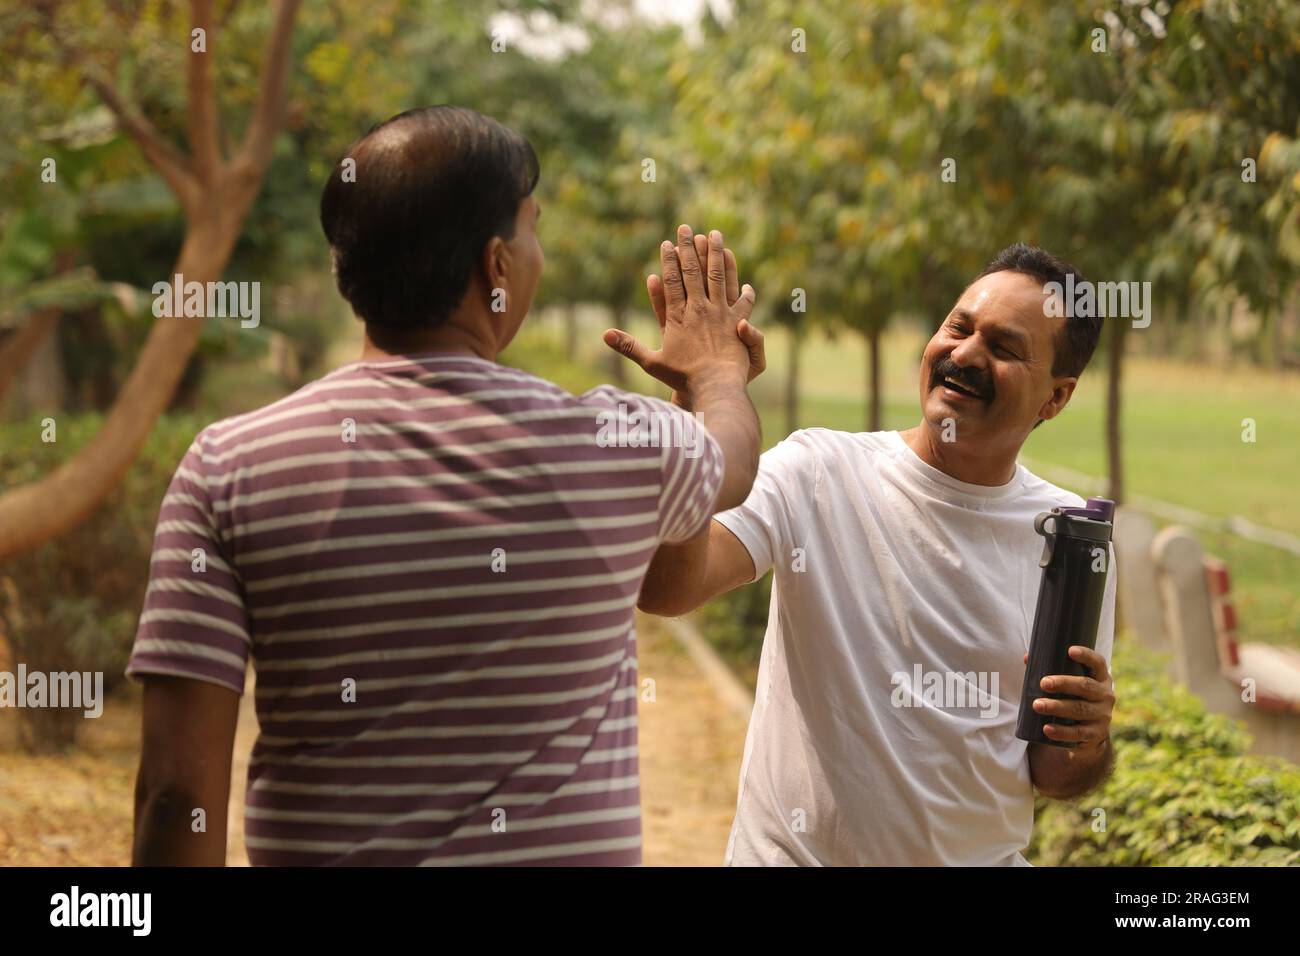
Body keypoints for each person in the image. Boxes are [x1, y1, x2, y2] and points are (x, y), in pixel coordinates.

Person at [127, 105, 764, 866]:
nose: (539, 251)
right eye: (532, 229)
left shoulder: (226, 466)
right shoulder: (612, 444)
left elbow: (175, 793)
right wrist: (717, 374)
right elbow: (729, 457)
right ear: (496, 267)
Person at [627, 244, 1118, 866]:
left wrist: (1088, 740)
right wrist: (696, 402)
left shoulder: (1070, 537)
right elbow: (667, 588)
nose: (964, 354)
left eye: (1003, 347)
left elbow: (1055, 774)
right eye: (957, 326)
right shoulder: (818, 471)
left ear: (1056, 397)